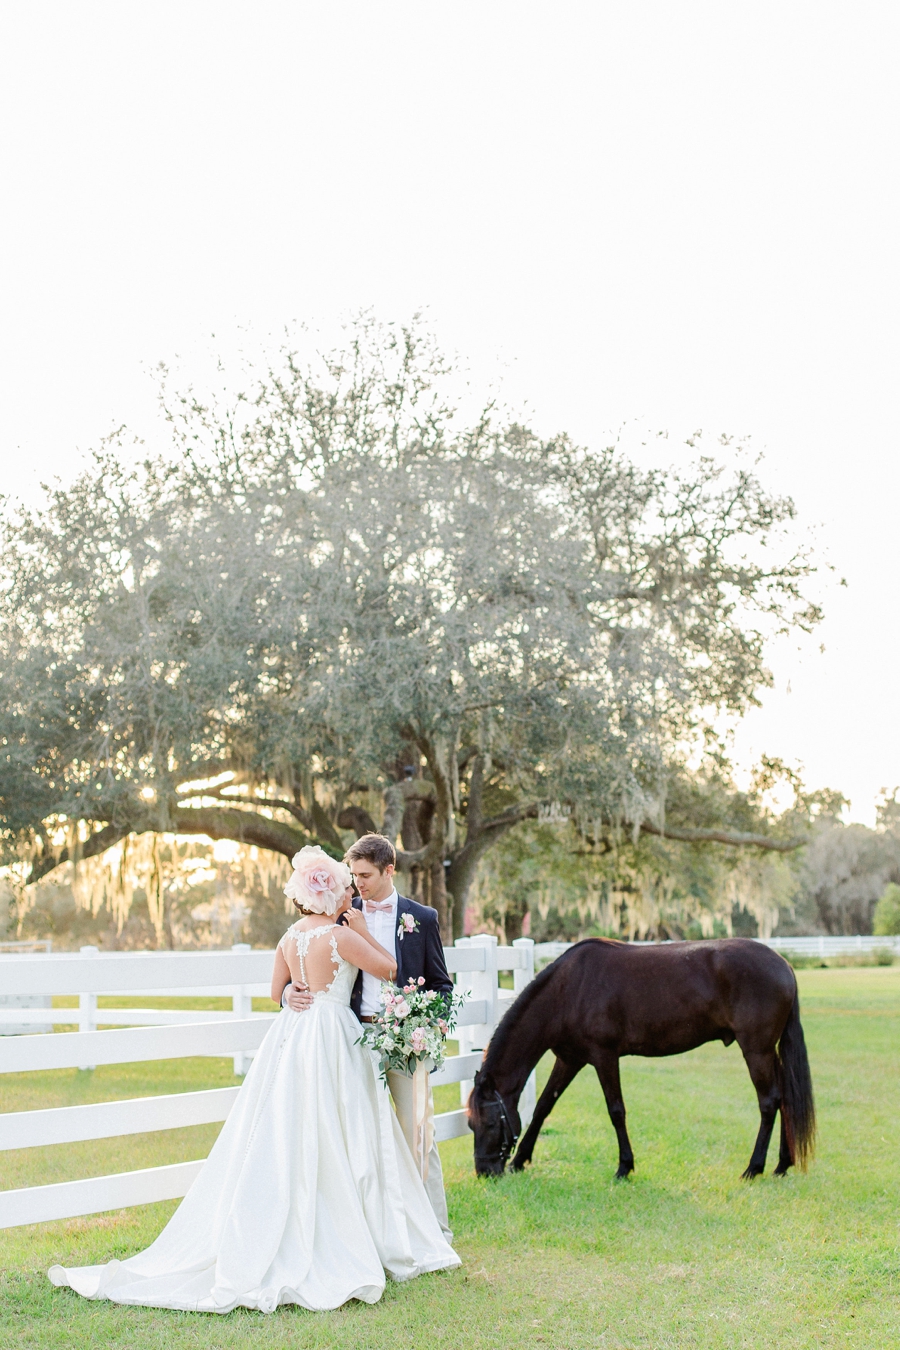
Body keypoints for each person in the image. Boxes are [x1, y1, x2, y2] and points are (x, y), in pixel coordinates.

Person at [48, 848, 460, 1313]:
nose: (351, 891)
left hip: (295, 1037)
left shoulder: (289, 937)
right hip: (334, 1037)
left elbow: (274, 992)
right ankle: (352, 1230)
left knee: (295, 1127)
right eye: (345, 886)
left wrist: (290, 993)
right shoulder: (343, 935)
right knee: (345, 1130)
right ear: (327, 894)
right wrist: (362, 933)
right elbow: (388, 969)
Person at [279, 833, 455, 1236]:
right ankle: (374, 1234)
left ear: (389, 870)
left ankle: (435, 1231)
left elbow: (441, 985)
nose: (358, 883)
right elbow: (300, 964)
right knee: (359, 1136)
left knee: (418, 1134)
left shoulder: (421, 918)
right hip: (351, 1040)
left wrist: (428, 1024)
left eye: (365, 875)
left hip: (404, 1040)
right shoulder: (339, 910)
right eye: (353, 874)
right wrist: (290, 991)